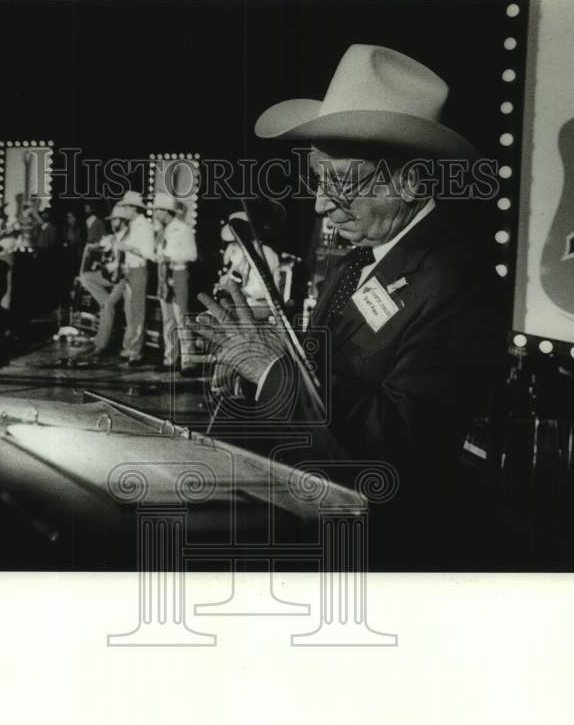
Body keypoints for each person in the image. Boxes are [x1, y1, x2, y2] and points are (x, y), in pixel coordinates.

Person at [193, 45, 506, 561]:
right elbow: (326, 384)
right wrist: (261, 372)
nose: (320, 204)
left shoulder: (460, 283)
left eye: (340, 183)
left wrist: (274, 373)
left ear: (410, 182)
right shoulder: (356, 262)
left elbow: (394, 452)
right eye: (318, 181)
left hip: (384, 547)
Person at [152, 192, 198, 375]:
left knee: (181, 319)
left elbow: (192, 255)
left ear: (165, 211)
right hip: (164, 276)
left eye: (157, 210)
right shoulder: (162, 231)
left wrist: (170, 256)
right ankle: (170, 358)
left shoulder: (183, 229)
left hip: (178, 274)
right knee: (168, 320)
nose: (155, 213)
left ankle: (188, 362)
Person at [78, 205, 130, 360]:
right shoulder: (114, 236)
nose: (113, 222)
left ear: (122, 221)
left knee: (108, 306)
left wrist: (114, 264)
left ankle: (101, 345)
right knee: (86, 277)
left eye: (115, 219)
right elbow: (102, 249)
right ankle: (104, 303)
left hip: (124, 279)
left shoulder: (129, 236)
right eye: (112, 219)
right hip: (112, 276)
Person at [114, 190, 155, 367]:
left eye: (125, 207)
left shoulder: (144, 226)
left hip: (139, 270)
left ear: (133, 208)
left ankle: (136, 351)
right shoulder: (132, 226)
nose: (124, 210)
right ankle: (129, 346)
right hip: (130, 270)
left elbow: (148, 253)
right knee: (129, 311)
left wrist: (127, 247)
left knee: (137, 312)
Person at [219, 211, 280, 314]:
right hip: (243, 304)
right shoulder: (240, 255)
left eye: (235, 241)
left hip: (262, 305)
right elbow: (230, 278)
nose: (233, 245)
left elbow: (261, 290)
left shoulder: (264, 252)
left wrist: (235, 291)